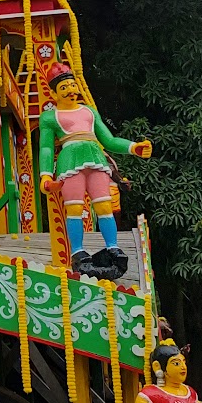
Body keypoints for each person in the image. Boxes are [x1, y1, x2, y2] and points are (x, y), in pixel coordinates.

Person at [37, 61, 151, 278]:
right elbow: (46, 147)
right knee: (74, 209)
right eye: (64, 88)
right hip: (70, 162)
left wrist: (133, 147)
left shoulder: (89, 112)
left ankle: (112, 247)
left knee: (104, 206)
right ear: (54, 94)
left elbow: (108, 140)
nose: (71, 90)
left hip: (96, 159)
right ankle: (79, 252)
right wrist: (45, 175)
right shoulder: (50, 117)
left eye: (72, 85)